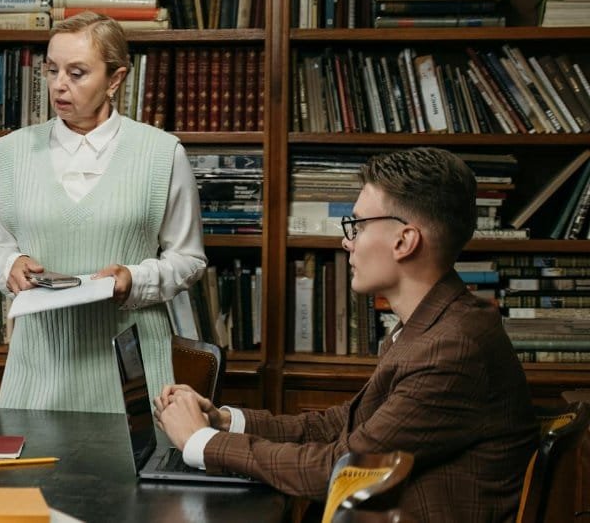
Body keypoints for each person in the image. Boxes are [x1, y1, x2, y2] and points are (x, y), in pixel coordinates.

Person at [154, 147, 537, 521]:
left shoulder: (451, 348)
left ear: (404, 241)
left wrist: (201, 442)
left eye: (358, 226)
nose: (346, 241)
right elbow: (340, 426)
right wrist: (224, 421)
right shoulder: (434, 325)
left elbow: (342, 470)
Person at [0, 12, 208, 412]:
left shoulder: (162, 154)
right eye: (52, 70)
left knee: (133, 455)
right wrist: (10, 266)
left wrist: (134, 280)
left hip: (132, 370)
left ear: (115, 80)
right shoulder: (12, 152)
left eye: (77, 73)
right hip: (38, 366)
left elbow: (189, 259)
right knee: (28, 454)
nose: (59, 84)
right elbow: (0, 247)